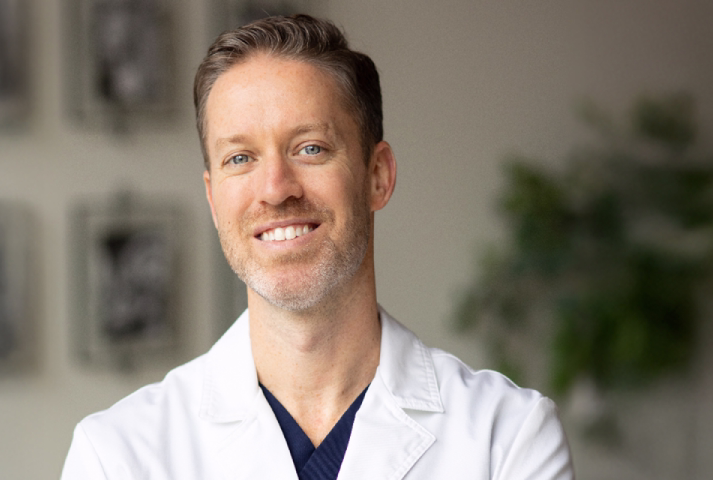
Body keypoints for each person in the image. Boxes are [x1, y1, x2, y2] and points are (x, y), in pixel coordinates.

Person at [61, 15, 573, 480]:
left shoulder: (508, 438)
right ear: (214, 199)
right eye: (240, 158)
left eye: (311, 148)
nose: (275, 188)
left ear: (377, 176)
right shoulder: (117, 456)